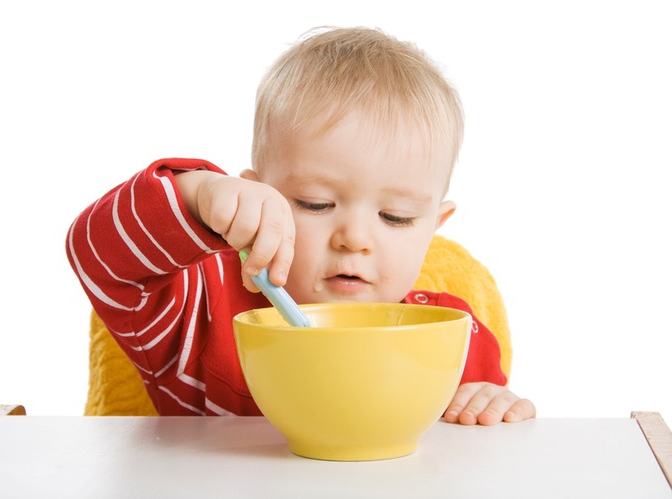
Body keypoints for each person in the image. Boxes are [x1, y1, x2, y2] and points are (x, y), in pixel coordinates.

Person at [67, 26, 535, 425]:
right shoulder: (199, 305)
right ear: (257, 195)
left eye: (396, 217)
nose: (354, 239)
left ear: (434, 226)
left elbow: (484, 453)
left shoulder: (453, 336)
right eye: (315, 204)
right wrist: (198, 194)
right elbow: (97, 254)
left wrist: (494, 406)